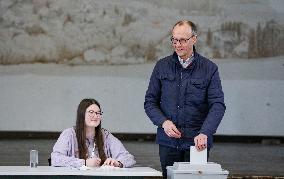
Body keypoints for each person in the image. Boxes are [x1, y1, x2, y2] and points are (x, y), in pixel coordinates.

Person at [144, 20, 226, 177]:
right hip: (168, 143)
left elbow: (217, 105)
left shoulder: (209, 69)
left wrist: (206, 132)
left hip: (197, 143)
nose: (177, 44)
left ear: (194, 39)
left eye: (183, 40)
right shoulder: (161, 66)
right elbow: (150, 102)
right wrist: (164, 122)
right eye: (174, 40)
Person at [51, 98, 136, 168]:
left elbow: (129, 158)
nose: (95, 116)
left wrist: (117, 163)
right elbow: (55, 159)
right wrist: (84, 163)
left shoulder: (106, 136)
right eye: (91, 112)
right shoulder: (69, 134)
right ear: (82, 114)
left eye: (98, 113)